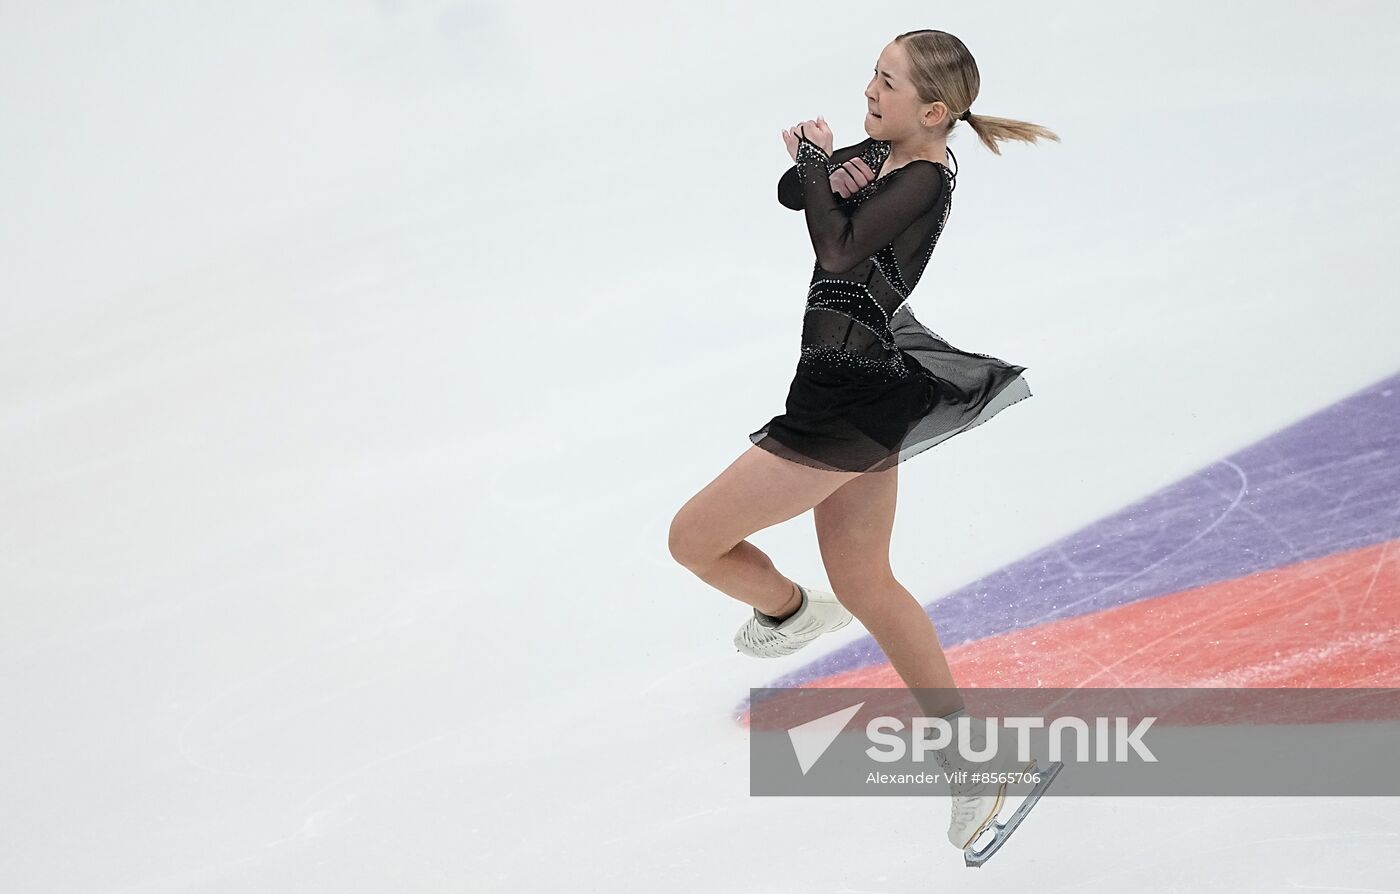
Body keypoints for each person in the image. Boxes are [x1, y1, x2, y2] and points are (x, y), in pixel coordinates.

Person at [668, 30, 1061, 860]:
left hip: (843, 405)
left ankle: (786, 611)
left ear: (935, 111)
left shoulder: (922, 176)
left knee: (692, 539)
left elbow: (836, 245)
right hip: (854, 387)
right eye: (872, 76)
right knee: (870, 582)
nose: (870, 92)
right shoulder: (887, 152)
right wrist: (825, 168)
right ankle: (973, 764)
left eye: (888, 83)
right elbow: (791, 193)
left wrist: (823, 173)